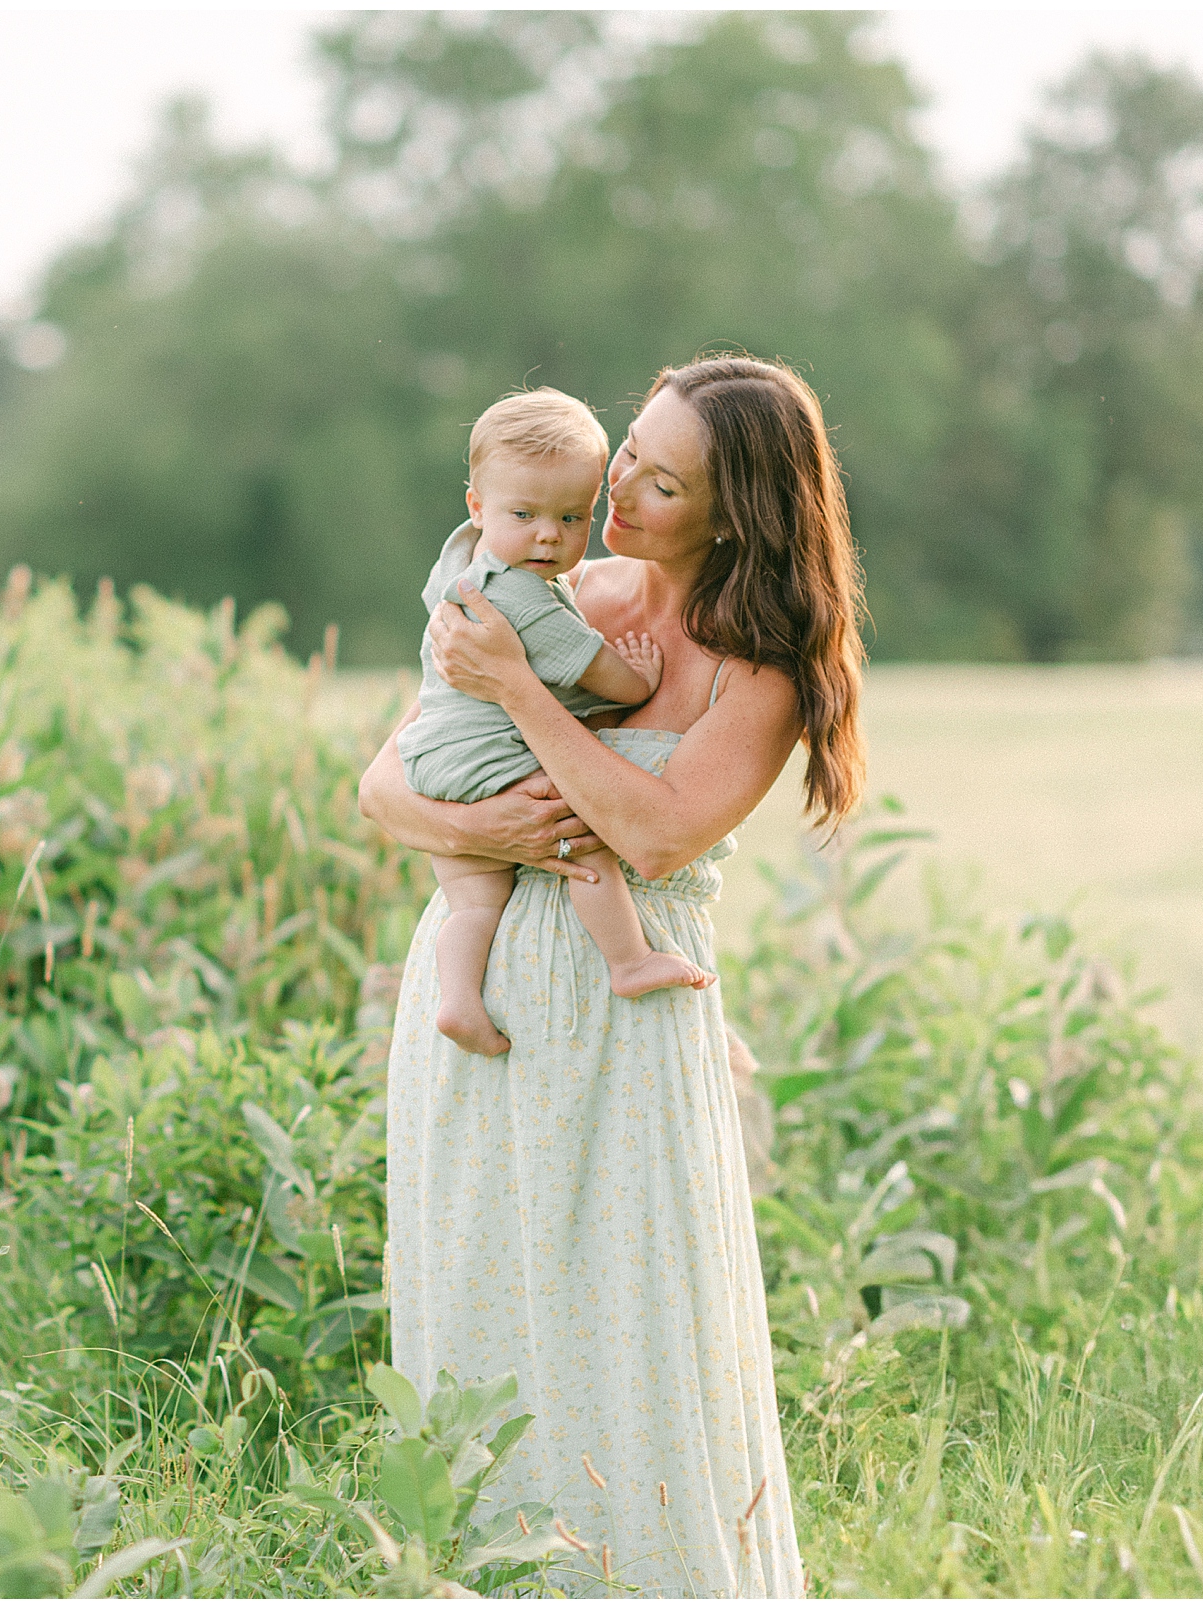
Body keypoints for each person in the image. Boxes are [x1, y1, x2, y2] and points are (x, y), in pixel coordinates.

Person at [359, 355, 866, 1597]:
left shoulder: (760, 671)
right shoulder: (551, 585)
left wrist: (521, 693)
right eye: (632, 447)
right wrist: (489, 830)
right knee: (480, 1287)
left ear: (735, 515)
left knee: (635, 1313)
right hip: (482, 992)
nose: (621, 486)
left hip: (625, 1013)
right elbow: (382, 788)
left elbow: (654, 835)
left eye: (664, 480)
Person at [398, 388, 712, 1059]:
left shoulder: (465, 565)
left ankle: (458, 999)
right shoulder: (523, 597)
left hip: (435, 760)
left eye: (572, 517)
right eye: (526, 515)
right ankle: (629, 959)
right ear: (477, 507)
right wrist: (640, 675)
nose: (549, 534)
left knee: (473, 900)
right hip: (488, 759)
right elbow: (610, 677)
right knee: (582, 839)